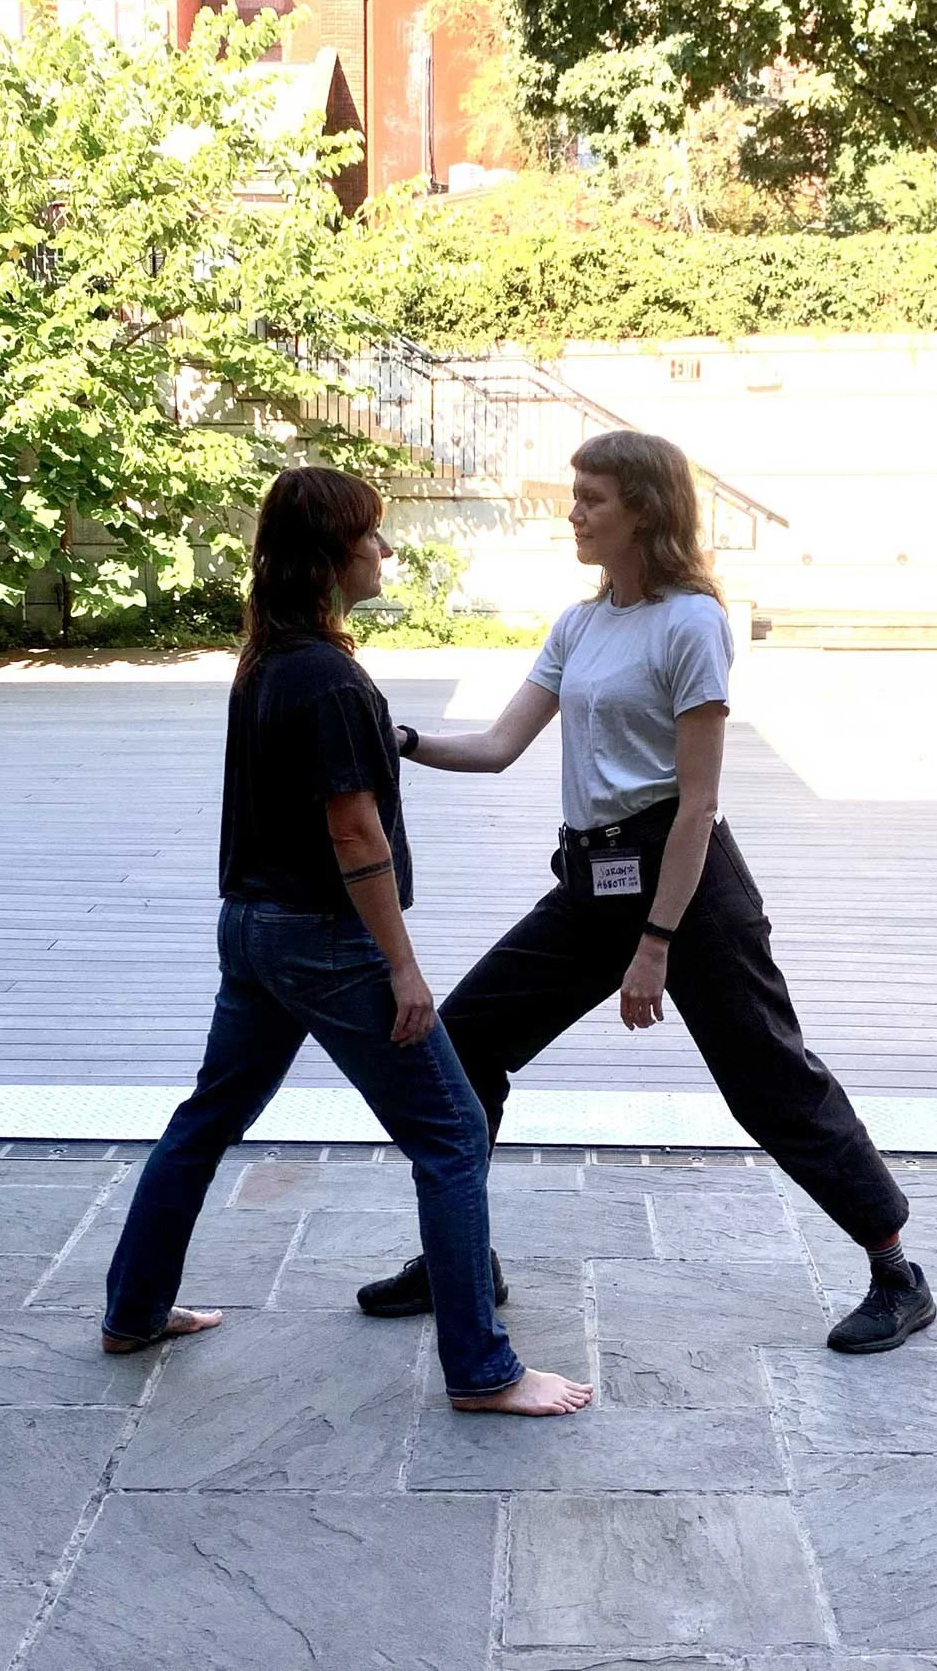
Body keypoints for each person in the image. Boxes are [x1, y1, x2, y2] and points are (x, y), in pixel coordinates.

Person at [358, 431, 936, 1356]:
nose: (575, 512)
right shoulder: (581, 624)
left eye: (593, 498)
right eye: (576, 494)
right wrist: (402, 739)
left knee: (768, 1080)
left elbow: (700, 803)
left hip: (689, 888)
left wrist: (657, 942)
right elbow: (503, 744)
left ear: (646, 510)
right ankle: (462, 1256)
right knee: (463, 1043)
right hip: (590, 883)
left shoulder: (690, 623)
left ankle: (895, 1268)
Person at [100, 466, 593, 1416]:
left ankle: (133, 1310)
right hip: (322, 942)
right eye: (373, 534)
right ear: (334, 555)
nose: (387, 549)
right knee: (451, 1134)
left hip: (251, 932)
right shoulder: (327, 677)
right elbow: (353, 833)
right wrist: (404, 969)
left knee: (206, 1119)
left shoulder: (272, 659)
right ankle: (482, 1370)